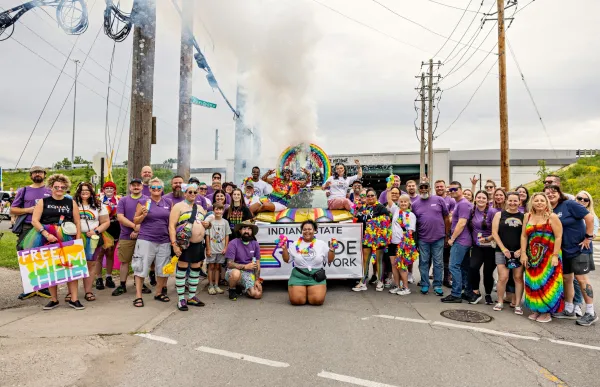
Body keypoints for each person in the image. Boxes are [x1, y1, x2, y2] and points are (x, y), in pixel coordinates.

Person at [24, 174, 83, 310]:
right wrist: (45, 234)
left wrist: (78, 237)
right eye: (56, 187)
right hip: (46, 236)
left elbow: (77, 221)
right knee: (50, 269)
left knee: (71, 267)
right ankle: (54, 299)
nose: (59, 189)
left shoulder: (71, 202)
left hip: (68, 236)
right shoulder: (43, 202)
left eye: (62, 187)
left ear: (66, 188)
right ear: (51, 187)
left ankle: (74, 299)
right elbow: (35, 220)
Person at [545, 185, 597, 326]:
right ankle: (568, 309)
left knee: (581, 279)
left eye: (553, 192)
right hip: (564, 250)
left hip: (579, 248)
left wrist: (588, 237)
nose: (550, 194)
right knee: (567, 278)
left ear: (559, 193)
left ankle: (591, 312)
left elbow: (589, 217)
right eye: (547, 193)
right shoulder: (550, 211)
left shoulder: (569, 204)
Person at [520, 192, 564, 323]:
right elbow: (524, 236)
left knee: (547, 283)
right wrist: (523, 253)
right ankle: (536, 309)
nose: (539, 202)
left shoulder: (552, 217)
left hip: (549, 255)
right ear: (532, 202)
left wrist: (555, 256)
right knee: (533, 283)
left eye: (542, 200)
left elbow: (558, 237)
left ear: (547, 203)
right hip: (532, 255)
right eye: (536, 200)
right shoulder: (527, 216)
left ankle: (546, 312)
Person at [11, 166, 52, 300]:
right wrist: (27, 210)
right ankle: (29, 287)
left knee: (45, 257)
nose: (37, 174)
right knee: (26, 256)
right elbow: (13, 210)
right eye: (35, 172)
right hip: (27, 227)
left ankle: (44, 287)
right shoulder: (23, 191)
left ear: (44, 175)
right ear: (31, 175)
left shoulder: (50, 190)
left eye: (40, 172)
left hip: (46, 227)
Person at [132, 178, 173, 307]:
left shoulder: (168, 202)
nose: (156, 190)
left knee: (163, 269)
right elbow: (136, 221)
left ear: (162, 189)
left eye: (159, 188)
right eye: (153, 188)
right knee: (141, 267)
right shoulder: (143, 202)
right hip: (146, 239)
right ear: (149, 189)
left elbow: (171, 222)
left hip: (164, 240)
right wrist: (143, 215)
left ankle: (159, 293)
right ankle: (138, 296)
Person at [168, 183, 208, 311]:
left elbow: (203, 225)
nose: (192, 194)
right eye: (190, 192)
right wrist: (174, 245)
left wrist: (207, 225)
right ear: (185, 193)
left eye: (195, 192)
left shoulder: (201, 208)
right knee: (182, 269)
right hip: (184, 244)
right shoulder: (178, 206)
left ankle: (191, 296)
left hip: (198, 244)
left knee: (196, 269)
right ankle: (181, 299)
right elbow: (171, 226)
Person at [282, 220, 335, 305]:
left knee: (317, 301)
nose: (307, 231)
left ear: (314, 230)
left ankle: (309, 291)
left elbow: (329, 260)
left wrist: (332, 250)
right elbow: (287, 260)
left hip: (316, 276)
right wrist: (284, 249)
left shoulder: (321, 244)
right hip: (298, 276)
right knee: (297, 301)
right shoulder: (295, 244)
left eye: (309, 229)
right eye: (304, 229)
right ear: (302, 231)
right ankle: (302, 291)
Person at [75, 182, 111, 303]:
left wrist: (96, 231)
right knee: (74, 264)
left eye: (87, 190)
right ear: (78, 192)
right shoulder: (73, 204)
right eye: (82, 190)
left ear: (91, 192)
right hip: (75, 237)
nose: (84, 192)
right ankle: (71, 293)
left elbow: (106, 222)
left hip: (92, 238)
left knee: (90, 264)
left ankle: (88, 291)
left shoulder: (99, 205)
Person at [412, 181, 450, 296]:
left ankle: (437, 285)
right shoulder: (415, 204)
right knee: (423, 262)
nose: (424, 189)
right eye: (421, 187)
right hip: (423, 239)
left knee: (438, 263)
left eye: (426, 187)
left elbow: (446, 217)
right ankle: (424, 284)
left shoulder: (439, 200)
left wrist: (447, 235)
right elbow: (414, 223)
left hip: (438, 237)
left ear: (429, 188)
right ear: (419, 190)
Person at [113, 179, 149, 296]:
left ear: (142, 187)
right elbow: (120, 217)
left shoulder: (147, 200)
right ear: (130, 187)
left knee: (141, 261)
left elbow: (149, 218)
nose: (136, 187)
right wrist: (134, 227)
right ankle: (122, 285)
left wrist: (138, 230)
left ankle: (139, 283)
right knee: (124, 261)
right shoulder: (123, 200)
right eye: (133, 185)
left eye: (138, 185)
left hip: (143, 235)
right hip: (125, 235)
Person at [491, 192, 525, 314]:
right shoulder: (499, 215)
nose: (512, 203)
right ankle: (500, 301)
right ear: (506, 201)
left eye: (515, 201)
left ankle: (517, 305)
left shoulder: (524, 216)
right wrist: (503, 248)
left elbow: (526, 235)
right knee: (503, 277)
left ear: (520, 202)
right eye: (510, 200)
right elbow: (494, 233)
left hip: (518, 252)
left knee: (518, 278)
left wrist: (521, 250)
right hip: (502, 251)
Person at [353, 188, 391, 292]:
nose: (370, 197)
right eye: (368, 196)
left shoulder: (381, 208)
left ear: (376, 196)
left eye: (372, 195)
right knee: (365, 260)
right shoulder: (362, 209)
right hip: (366, 239)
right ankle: (363, 282)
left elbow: (387, 222)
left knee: (378, 260)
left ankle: (380, 281)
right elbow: (357, 221)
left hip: (378, 239)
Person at [442, 181, 473, 303]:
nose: (452, 192)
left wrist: (452, 239)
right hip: (464, 240)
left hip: (461, 240)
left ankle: (456, 294)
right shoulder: (459, 203)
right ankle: (465, 291)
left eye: (454, 189)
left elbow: (462, 223)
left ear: (460, 189)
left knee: (453, 266)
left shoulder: (463, 204)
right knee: (463, 268)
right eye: (450, 190)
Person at [468, 190, 497, 305]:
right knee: (473, 267)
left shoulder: (492, 212)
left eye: (483, 198)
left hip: (490, 246)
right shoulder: (472, 211)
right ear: (475, 199)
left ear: (487, 200)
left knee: (488, 272)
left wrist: (487, 239)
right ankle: (476, 292)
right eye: (479, 197)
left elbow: (497, 230)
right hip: (477, 246)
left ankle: (488, 294)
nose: (481, 199)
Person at [386, 192, 417, 296]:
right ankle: (397, 286)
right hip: (392, 242)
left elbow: (410, 231)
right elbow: (389, 200)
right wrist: (389, 189)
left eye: (405, 202)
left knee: (402, 266)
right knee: (394, 266)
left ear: (409, 203)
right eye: (401, 201)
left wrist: (405, 246)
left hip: (402, 244)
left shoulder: (411, 215)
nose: (403, 203)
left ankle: (406, 287)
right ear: (399, 202)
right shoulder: (396, 210)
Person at [224, 221, 263, 300]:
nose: (247, 231)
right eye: (244, 228)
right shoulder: (233, 243)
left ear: (252, 232)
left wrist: (257, 280)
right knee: (236, 273)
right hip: (233, 271)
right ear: (240, 231)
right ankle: (232, 290)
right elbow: (229, 264)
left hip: (248, 274)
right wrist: (245, 266)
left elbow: (257, 264)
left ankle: (242, 287)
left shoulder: (255, 244)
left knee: (257, 294)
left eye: (249, 229)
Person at [95, 181, 121, 291]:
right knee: (100, 254)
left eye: (111, 188)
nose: (109, 190)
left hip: (114, 227)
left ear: (114, 190)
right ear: (103, 190)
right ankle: (98, 278)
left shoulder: (119, 199)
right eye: (107, 188)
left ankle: (109, 277)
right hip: (101, 226)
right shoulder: (98, 199)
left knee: (110, 253)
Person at [205, 203, 231, 295]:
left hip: (221, 249)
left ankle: (216, 285)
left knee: (217, 267)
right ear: (213, 210)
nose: (218, 211)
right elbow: (207, 236)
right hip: (212, 248)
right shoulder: (210, 222)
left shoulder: (225, 222)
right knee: (211, 266)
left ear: (223, 211)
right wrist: (208, 248)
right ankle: (210, 285)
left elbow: (227, 235)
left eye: (220, 209)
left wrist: (226, 247)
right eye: (216, 209)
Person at [434, 179, 456, 288]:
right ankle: (434, 278)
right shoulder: (432, 199)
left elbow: (451, 217)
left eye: (441, 186)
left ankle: (446, 279)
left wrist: (447, 235)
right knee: (434, 258)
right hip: (434, 234)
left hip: (447, 233)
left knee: (446, 258)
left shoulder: (451, 201)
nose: (439, 188)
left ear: (445, 187)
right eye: (437, 186)